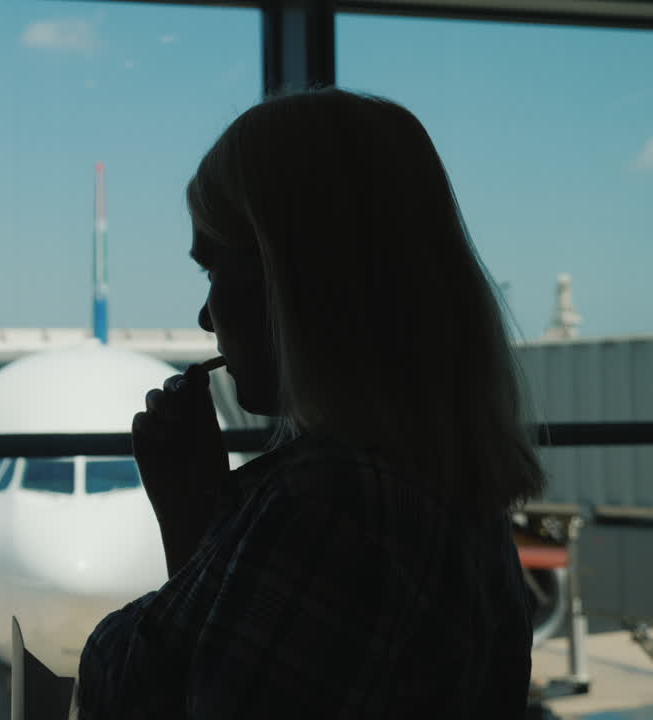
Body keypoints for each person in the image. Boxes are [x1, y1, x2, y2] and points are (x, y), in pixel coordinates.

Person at [73, 87, 546, 719]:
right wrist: (199, 522)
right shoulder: (449, 480)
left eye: (216, 270)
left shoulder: (335, 501)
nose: (205, 316)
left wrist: (197, 526)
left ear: (295, 280)